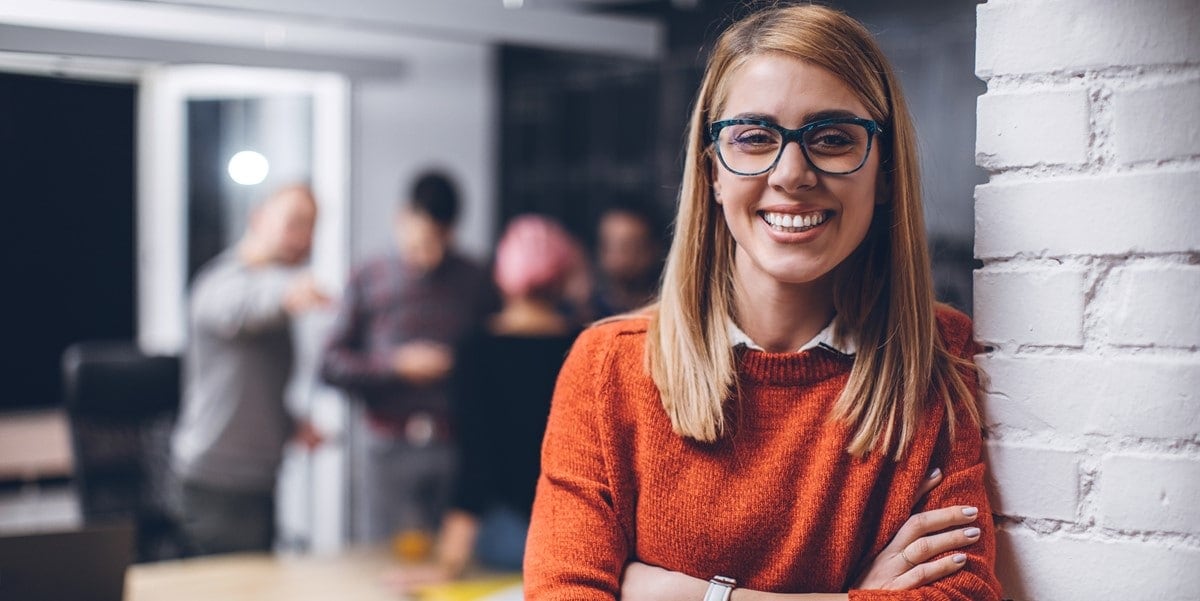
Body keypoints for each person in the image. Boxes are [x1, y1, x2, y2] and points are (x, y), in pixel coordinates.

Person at [524, 5, 1001, 601]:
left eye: (832, 138)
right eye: (754, 138)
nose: (792, 173)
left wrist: (681, 594)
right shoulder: (606, 368)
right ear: (713, 172)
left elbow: (962, 595)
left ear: (883, 172)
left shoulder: (938, 359)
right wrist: (853, 597)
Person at [387, 215, 584, 592]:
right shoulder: (588, 344)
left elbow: (475, 462)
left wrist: (448, 562)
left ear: (502, 275)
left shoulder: (476, 350)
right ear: (563, 275)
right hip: (576, 532)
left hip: (509, 534)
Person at [320, 171, 495, 545]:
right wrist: (395, 365)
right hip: (387, 444)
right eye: (419, 243)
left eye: (439, 242)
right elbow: (330, 363)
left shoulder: (475, 279)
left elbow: (493, 361)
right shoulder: (369, 276)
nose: (427, 256)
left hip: (455, 444)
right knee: (384, 555)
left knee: (454, 559)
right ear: (401, 218)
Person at [171, 183, 329, 555]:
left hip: (259, 477)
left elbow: (253, 386)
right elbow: (243, 310)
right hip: (216, 480)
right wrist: (288, 293)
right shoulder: (220, 282)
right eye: (295, 223)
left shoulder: (271, 290)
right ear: (257, 219)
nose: (304, 237)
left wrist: (289, 424)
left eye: (311, 227)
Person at [590, 199, 664, 318]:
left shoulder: (667, 314)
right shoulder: (586, 315)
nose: (618, 258)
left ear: (654, 249)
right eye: (609, 246)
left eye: (629, 247)